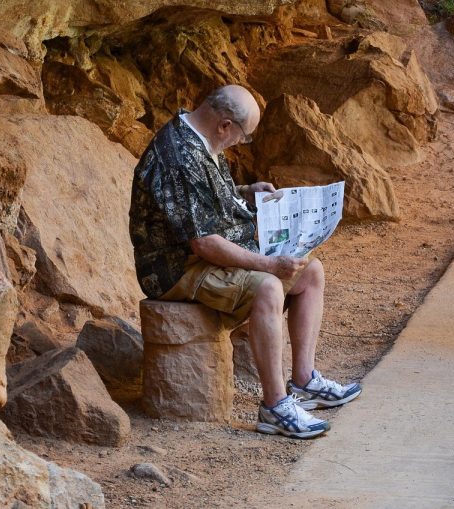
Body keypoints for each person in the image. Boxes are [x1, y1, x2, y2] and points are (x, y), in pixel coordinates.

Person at [129, 84, 361, 439]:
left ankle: (304, 381)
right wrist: (268, 265)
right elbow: (204, 242)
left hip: (204, 253)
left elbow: (202, 202)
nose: (241, 142)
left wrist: (246, 193)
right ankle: (275, 407)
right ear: (224, 125)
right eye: (243, 135)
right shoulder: (178, 156)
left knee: (310, 271)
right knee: (268, 286)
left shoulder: (200, 136)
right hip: (176, 267)